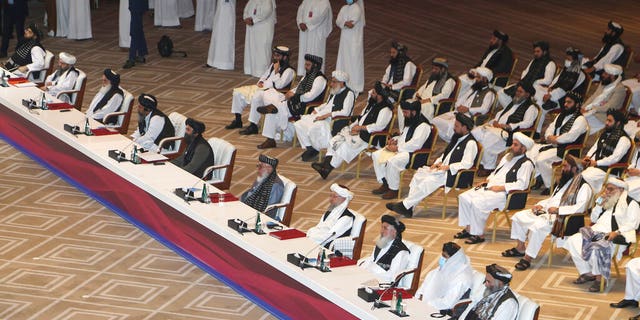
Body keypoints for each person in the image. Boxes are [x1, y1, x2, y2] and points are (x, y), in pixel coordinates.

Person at [504, 156, 592, 271]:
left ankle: (527, 258)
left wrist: (558, 210)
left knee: (537, 227)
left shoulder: (584, 186)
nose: (562, 168)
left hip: (563, 218)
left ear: (575, 169)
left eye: (565, 166)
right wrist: (541, 204)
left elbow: (580, 208)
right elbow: (553, 199)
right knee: (518, 216)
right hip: (547, 212)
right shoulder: (564, 181)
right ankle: (520, 248)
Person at [387, 113, 478, 218]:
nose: (454, 128)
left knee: (428, 181)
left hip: (457, 175)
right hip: (443, 170)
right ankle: (409, 208)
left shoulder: (471, 143)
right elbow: (446, 154)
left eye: (457, 126)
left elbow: (467, 163)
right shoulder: (457, 137)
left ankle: (405, 205)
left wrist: (448, 167)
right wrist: (437, 163)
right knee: (419, 175)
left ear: (465, 127)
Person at [455, 132, 534, 244]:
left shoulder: (526, 164)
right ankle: (469, 229)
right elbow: (496, 172)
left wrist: (502, 188)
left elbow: (522, 184)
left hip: (504, 194)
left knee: (477, 202)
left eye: (515, 145)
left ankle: (478, 234)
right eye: (512, 144)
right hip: (490, 187)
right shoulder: (507, 157)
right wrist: (486, 180)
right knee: (464, 197)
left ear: (523, 148)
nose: (512, 147)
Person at [562, 178, 640, 292]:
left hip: (615, 236)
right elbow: (593, 218)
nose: (606, 191)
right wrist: (599, 204)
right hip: (596, 231)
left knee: (597, 247)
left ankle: (600, 278)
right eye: (606, 188)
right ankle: (587, 272)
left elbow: (633, 224)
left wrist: (617, 232)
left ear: (621, 189)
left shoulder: (631, 203)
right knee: (573, 240)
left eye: (610, 189)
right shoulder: (606, 200)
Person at [311, 81, 393, 179]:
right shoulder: (372, 104)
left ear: (380, 96)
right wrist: (352, 127)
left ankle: (327, 168)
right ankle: (326, 164)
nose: (371, 93)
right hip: (359, 132)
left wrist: (360, 128)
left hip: (370, 138)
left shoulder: (386, 110)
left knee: (344, 146)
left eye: (374, 92)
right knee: (336, 139)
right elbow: (361, 118)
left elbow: (378, 127)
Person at [256, 53, 327, 149]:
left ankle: (270, 138)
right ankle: (270, 138)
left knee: (274, 110)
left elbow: (310, 96)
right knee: (273, 111)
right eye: (305, 64)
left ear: (315, 66)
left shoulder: (320, 80)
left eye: (308, 65)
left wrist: (294, 95)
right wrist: (290, 92)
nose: (305, 67)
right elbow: (298, 88)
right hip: (295, 103)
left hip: (306, 107)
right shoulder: (307, 76)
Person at [528, 91, 588, 195]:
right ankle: (539, 178)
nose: (565, 104)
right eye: (565, 102)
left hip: (567, 149)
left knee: (541, 159)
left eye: (569, 102)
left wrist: (556, 139)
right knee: (530, 152)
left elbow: (571, 136)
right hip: (553, 145)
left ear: (577, 104)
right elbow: (550, 129)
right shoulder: (561, 115)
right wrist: (549, 137)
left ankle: (551, 185)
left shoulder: (580, 119)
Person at [472, 82, 538, 175]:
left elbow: (528, 123)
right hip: (497, 128)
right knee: (474, 133)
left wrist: (509, 126)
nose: (517, 93)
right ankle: (477, 160)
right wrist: (494, 122)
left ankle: (488, 167)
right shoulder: (513, 102)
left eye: (520, 92)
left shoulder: (531, 107)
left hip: (508, 133)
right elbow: (501, 115)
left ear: (527, 94)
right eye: (517, 91)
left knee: (487, 141)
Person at [371, 100, 431, 199]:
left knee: (392, 161)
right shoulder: (411, 120)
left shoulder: (423, 125)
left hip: (414, 155)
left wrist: (397, 148)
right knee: (377, 155)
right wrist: (395, 141)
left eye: (405, 112)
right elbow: (403, 137)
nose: (404, 114)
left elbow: (416, 144)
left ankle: (394, 189)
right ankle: (386, 183)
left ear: (414, 112)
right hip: (403, 150)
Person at [227, 46, 295, 131]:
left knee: (256, 97)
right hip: (262, 88)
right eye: (274, 55)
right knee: (237, 92)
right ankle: (238, 120)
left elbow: (279, 86)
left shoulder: (289, 71)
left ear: (284, 57)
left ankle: (253, 125)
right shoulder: (273, 65)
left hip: (274, 93)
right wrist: (260, 82)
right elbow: (264, 75)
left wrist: (277, 71)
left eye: (278, 56)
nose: (275, 58)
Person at [295, 70, 354, 162]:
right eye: (332, 81)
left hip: (333, 120)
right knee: (299, 124)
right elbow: (327, 104)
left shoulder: (349, 94)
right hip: (322, 115)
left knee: (313, 128)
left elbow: (346, 112)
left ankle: (317, 148)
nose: (331, 84)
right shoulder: (335, 90)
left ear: (342, 83)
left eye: (334, 82)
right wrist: (317, 109)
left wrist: (328, 114)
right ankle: (310, 147)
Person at [432, 67, 495, 142]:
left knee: (450, 125)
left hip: (469, 116)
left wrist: (468, 109)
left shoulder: (489, 93)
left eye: (478, 77)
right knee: (436, 120)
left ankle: (453, 141)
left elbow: (485, 109)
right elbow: (461, 99)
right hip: (458, 112)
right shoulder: (473, 89)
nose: (476, 79)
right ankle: (447, 138)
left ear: (485, 79)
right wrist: (458, 106)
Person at [581, 108, 631, 194]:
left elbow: (614, 158)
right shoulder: (605, 134)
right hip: (598, 167)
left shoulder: (624, 139)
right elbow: (595, 147)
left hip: (610, 171)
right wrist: (588, 156)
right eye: (606, 120)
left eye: (610, 121)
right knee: (575, 170)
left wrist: (597, 163)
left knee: (583, 177)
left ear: (618, 123)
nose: (606, 123)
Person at [497, 41, 555, 113]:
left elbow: (548, 80)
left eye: (538, 51)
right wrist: (524, 81)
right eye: (534, 51)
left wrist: (535, 81)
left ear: (545, 52)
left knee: (533, 102)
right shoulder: (534, 61)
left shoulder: (550, 63)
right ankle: (511, 111)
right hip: (525, 84)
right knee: (501, 93)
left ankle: (518, 113)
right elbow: (525, 72)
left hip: (537, 87)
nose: (535, 53)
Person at [397, 57, 456, 129]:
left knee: (412, 110)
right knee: (402, 106)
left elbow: (444, 95)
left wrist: (428, 100)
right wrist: (417, 94)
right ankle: (402, 130)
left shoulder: (449, 81)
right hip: (421, 101)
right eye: (433, 68)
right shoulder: (433, 77)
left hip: (431, 105)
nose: (433, 71)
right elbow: (424, 87)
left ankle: (413, 130)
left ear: (443, 69)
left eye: (436, 69)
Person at [416, 242, 474, 312]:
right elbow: (424, 287)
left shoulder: (462, 279)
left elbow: (448, 303)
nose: (441, 258)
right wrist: (419, 298)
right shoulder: (442, 269)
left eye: (444, 256)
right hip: (425, 305)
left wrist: (427, 305)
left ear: (454, 260)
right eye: (442, 255)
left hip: (442, 311)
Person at [457, 30, 513, 100]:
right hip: (479, 74)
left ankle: (462, 102)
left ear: (500, 41)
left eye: (494, 39)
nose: (491, 40)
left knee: (467, 83)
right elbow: (481, 63)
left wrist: (481, 74)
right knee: (461, 79)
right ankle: (457, 100)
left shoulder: (506, 54)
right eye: (491, 38)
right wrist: (473, 70)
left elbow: (500, 70)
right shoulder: (491, 48)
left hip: (490, 80)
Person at [358, 214, 410, 283]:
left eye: (385, 228)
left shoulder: (401, 252)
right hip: (369, 278)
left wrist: (371, 275)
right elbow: (372, 260)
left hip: (383, 284)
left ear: (394, 232)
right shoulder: (380, 243)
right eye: (381, 227)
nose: (381, 231)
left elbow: (392, 276)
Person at [582, 63, 627, 134]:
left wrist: (592, 109)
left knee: (580, 126)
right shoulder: (604, 82)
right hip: (592, 111)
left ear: (612, 76)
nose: (603, 75)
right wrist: (584, 107)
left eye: (606, 74)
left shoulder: (619, 89)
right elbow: (594, 96)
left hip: (602, 117)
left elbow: (609, 107)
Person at [240, 154, 284, 220]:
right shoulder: (262, 177)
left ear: (269, 168)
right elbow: (251, 193)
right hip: (250, 210)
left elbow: (270, 209)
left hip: (263, 218)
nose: (258, 169)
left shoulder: (276, 186)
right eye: (258, 166)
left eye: (261, 166)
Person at [335, 0, 365, 94]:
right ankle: (343, 82)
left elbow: (351, 25)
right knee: (343, 60)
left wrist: (343, 22)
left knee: (354, 63)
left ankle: (356, 86)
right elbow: (337, 21)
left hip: (354, 42)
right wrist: (344, 23)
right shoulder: (344, 8)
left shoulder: (357, 9)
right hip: (344, 41)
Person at [296, 0, 332, 76]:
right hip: (305, 32)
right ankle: (303, 74)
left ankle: (315, 75)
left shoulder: (324, 2)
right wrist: (300, 22)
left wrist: (308, 25)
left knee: (315, 53)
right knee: (304, 51)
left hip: (317, 32)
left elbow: (321, 16)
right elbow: (300, 11)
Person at [243, 0, 277, 78]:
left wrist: (253, 20)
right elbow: (247, 8)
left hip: (264, 27)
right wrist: (246, 17)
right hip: (252, 26)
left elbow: (267, 11)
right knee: (252, 47)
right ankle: (251, 69)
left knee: (262, 48)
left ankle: (262, 71)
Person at [206, 0, 235, 70]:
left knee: (225, 35)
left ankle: (224, 63)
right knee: (217, 35)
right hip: (221, 7)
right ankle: (213, 60)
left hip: (227, 7)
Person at [123, 0, 149, 69]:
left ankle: (132, 58)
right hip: (139, 4)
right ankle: (141, 54)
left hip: (137, 4)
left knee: (134, 30)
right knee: (138, 28)